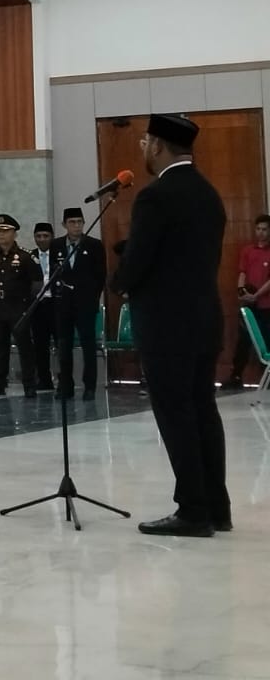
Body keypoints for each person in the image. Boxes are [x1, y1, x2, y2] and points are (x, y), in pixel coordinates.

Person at [118, 113, 230, 536]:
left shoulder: (156, 196)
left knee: (176, 415)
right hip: (204, 320)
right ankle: (216, 507)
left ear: (158, 146)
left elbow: (138, 261)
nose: (143, 149)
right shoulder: (208, 193)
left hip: (167, 326)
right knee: (202, 411)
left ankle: (193, 511)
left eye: (145, 142)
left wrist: (118, 281)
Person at [0, 214, 42, 397]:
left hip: (19, 308)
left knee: (25, 346)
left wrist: (24, 300)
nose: (1, 235)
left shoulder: (26, 256)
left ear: (14, 233)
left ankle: (29, 384)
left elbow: (37, 283)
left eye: (6, 231)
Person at [53, 205, 106, 401]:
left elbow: (100, 276)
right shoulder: (56, 245)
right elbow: (53, 273)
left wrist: (92, 298)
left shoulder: (94, 245)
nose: (76, 226)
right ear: (64, 225)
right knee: (64, 345)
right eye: (72, 222)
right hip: (63, 304)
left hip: (85, 304)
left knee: (88, 344)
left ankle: (89, 386)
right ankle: (65, 385)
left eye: (79, 222)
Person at [226, 214, 270, 389]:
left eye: (264, 229)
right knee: (243, 341)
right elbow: (242, 272)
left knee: (266, 341)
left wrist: (257, 294)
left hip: (266, 305)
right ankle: (236, 376)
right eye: (258, 229)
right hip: (249, 306)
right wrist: (241, 291)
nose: (261, 232)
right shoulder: (248, 251)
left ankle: (267, 379)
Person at [28, 222, 59, 392]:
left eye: (45, 236)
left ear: (52, 237)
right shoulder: (29, 256)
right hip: (37, 305)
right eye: (38, 236)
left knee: (61, 343)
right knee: (40, 344)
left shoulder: (59, 254)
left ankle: (64, 378)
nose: (42, 239)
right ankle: (44, 379)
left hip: (56, 304)